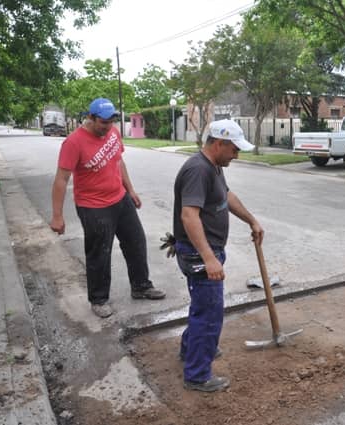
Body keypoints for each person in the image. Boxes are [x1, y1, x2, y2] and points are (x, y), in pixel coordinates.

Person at [50, 98, 165, 319]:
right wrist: (57, 216)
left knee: (136, 242)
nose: (108, 127)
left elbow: (118, 162)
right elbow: (61, 180)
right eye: (103, 122)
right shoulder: (73, 143)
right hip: (93, 206)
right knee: (99, 253)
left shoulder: (112, 133)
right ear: (90, 118)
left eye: (111, 122)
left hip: (120, 198)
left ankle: (141, 286)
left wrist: (130, 190)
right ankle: (99, 299)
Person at [171, 119, 263, 393]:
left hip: (205, 251)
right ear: (219, 143)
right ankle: (197, 375)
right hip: (199, 253)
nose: (237, 155)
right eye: (234, 149)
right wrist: (209, 258)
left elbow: (227, 196)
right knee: (210, 314)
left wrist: (251, 220)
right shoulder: (198, 170)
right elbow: (189, 216)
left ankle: (192, 348)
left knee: (203, 307)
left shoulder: (213, 166)